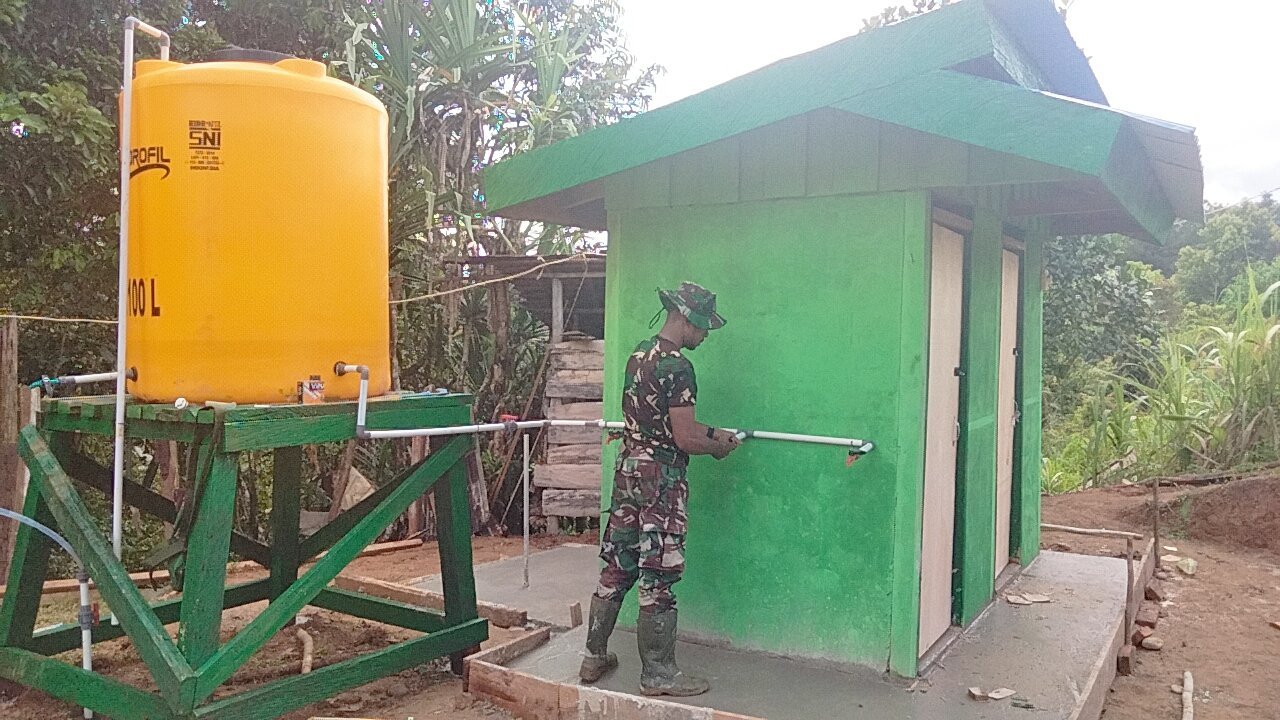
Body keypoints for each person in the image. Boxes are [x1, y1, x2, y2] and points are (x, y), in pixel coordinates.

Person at [579, 281, 740, 697]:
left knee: (617, 565)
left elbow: (660, 423)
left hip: (629, 470)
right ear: (686, 319)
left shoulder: (639, 355)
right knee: (659, 575)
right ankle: (658, 674)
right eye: (703, 327)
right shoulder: (679, 367)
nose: (705, 335)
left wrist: (712, 432)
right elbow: (683, 438)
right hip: (660, 482)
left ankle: (593, 655)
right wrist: (717, 448)